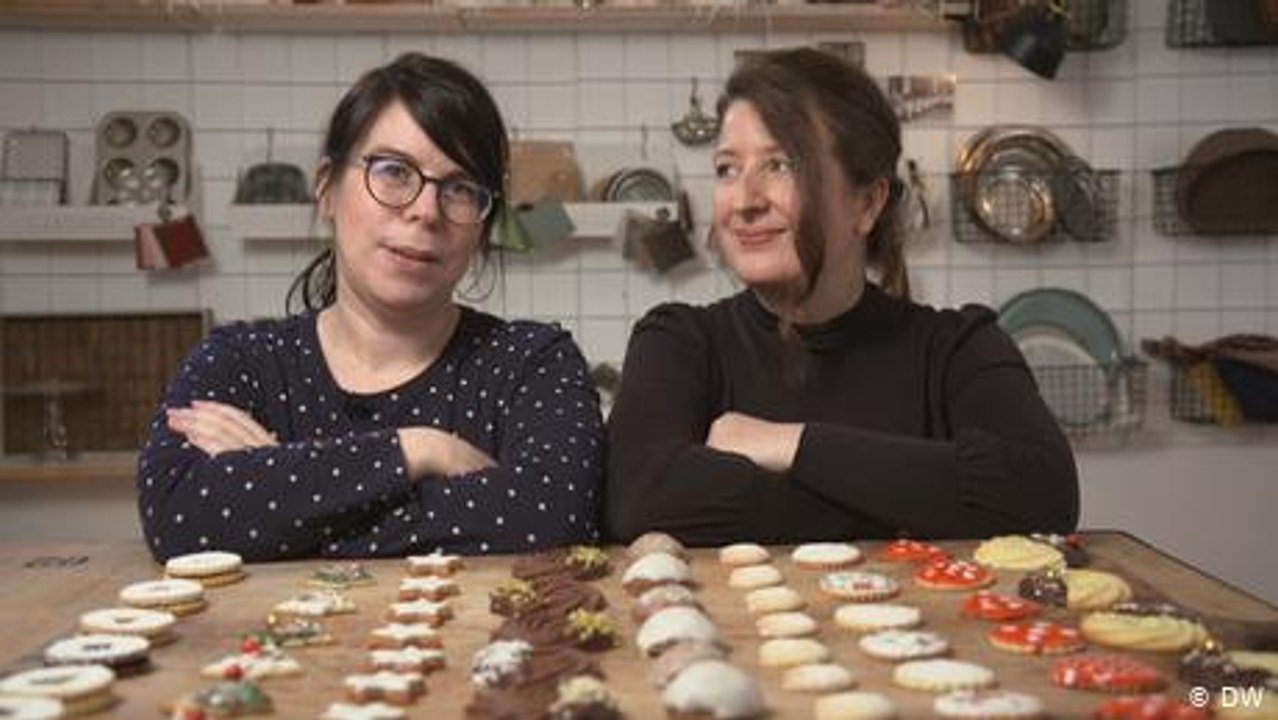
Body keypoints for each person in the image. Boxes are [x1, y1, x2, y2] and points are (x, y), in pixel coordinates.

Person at [138, 53, 604, 561]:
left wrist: (283, 493)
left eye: (461, 188)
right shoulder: (240, 362)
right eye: (394, 171)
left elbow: (555, 518)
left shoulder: (531, 362)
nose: (426, 211)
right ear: (327, 190)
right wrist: (422, 449)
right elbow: (177, 516)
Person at [606, 48, 1078, 546]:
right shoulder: (678, 341)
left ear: (867, 202)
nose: (744, 201)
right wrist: (910, 505)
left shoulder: (958, 347)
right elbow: (637, 501)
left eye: (780, 164)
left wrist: (789, 443)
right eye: (727, 169)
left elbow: (1043, 495)